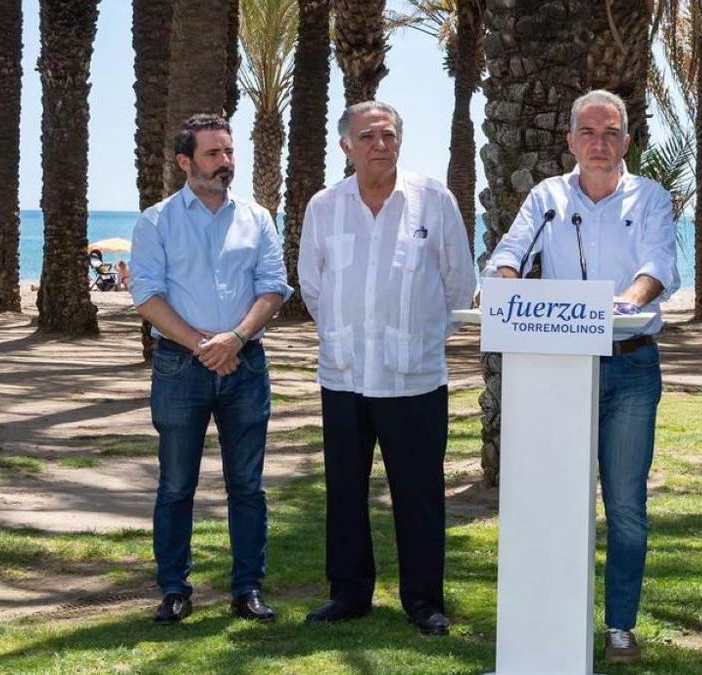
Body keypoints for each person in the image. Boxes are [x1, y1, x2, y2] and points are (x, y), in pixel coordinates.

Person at [485, 89, 679, 664]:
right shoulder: (548, 197)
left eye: (611, 132)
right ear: (570, 141)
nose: (600, 143)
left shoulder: (650, 197)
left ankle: (619, 625)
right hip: (559, 371)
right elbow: (511, 250)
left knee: (623, 505)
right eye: (589, 133)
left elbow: (658, 267)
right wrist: (502, 279)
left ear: (627, 140)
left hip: (630, 367)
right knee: (554, 500)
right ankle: (550, 618)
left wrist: (625, 301)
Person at [297, 101, 475, 636]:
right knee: (345, 491)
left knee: (419, 493)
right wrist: (341, 332)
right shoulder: (324, 207)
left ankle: (424, 601)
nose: (381, 144)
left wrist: (419, 339)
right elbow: (313, 286)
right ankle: (349, 594)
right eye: (368, 136)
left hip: (414, 378)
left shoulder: (433, 201)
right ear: (346, 146)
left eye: (389, 134)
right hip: (345, 375)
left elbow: (458, 285)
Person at [129, 113, 292, 625]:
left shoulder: (258, 217)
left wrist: (236, 338)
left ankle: (248, 588)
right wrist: (204, 344)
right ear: (185, 162)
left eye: (229, 152)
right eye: (213, 154)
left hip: (246, 365)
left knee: (247, 485)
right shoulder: (156, 221)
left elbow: (274, 286)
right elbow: (146, 295)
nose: (226, 163)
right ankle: (174, 590)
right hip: (181, 368)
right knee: (176, 485)